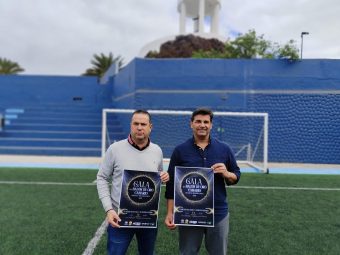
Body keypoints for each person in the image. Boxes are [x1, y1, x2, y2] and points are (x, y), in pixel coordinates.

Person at [164, 107, 241, 255]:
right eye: (198, 121)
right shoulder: (180, 150)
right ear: (191, 124)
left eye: (206, 122)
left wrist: (226, 173)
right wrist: (170, 212)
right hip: (188, 213)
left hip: (218, 213)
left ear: (211, 125)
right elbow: (171, 184)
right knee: (187, 252)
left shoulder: (224, 149)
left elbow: (236, 176)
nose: (202, 125)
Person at [97, 109, 169, 255]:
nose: (139, 127)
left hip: (148, 218)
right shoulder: (115, 149)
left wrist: (164, 177)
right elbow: (102, 177)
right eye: (136, 123)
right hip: (120, 217)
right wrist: (109, 209)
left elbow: (157, 178)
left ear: (150, 127)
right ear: (131, 125)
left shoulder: (157, 150)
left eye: (143, 124)